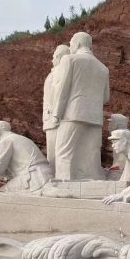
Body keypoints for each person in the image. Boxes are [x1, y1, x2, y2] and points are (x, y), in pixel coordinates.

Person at [51, 31, 110, 181]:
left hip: (73, 113)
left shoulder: (70, 59)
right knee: (91, 154)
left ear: (76, 44)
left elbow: (62, 89)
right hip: (95, 117)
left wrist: (56, 114)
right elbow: (106, 97)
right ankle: (92, 182)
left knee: (64, 150)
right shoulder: (103, 68)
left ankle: (64, 182)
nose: (70, 46)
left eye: (70, 43)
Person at [42, 44, 70, 176]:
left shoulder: (60, 72)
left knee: (55, 151)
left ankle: (54, 177)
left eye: (54, 57)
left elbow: (59, 94)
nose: (52, 60)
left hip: (55, 118)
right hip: (52, 117)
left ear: (59, 57)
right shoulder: (54, 73)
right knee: (53, 151)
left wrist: (55, 116)